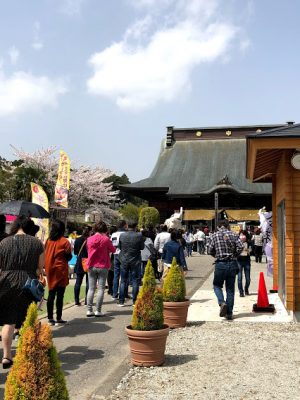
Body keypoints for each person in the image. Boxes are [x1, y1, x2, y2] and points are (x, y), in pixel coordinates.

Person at [0, 216, 44, 369]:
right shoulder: (36, 243)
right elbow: (40, 267)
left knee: (9, 320)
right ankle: (27, 354)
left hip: (7, 282)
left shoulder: (4, 242)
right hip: (28, 283)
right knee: (28, 319)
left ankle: (6, 356)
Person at [208, 220, 243, 321]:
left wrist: (216, 254)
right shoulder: (234, 234)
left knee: (217, 285)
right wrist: (235, 255)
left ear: (218, 226)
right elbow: (241, 246)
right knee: (230, 289)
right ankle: (229, 313)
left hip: (220, 264)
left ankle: (222, 302)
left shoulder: (214, 236)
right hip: (232, 263)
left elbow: (209, 250)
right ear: (228, 226)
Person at [45, 219, 72, 326]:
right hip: (61, 270)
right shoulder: (65, 241)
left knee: (51, 294)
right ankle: (59, 317)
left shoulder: (48, 240)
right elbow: (68, 256)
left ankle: (50, 318)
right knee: (60, 295)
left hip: (49, 269)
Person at [86, 221, 116, 317]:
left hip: (91, 265)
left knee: (91, 289)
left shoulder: (89, 239)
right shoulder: (106, 239)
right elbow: (113, 250)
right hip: (103, 265)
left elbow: (88, 250)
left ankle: (89, 310)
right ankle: (98, 311)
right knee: (101, 289)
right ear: (105, 230)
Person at [118, 221, 144, 306]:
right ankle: (135, 301)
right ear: (135, 226)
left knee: (123, 280)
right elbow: (142, 247)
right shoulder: (139, 235)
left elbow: (120, 247)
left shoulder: (122, 235)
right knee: (135, 280)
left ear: (127, 226)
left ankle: (121, 301)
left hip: (124, 259)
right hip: (135, 260)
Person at [73, 226, 92, 306]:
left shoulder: (77, 240)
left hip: (80, 262)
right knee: (89, 282)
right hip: (89, 262)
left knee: (78, 282)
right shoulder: (91, 240)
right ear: (90, 231)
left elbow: (75, 252)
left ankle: (76, 301)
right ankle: (87, 301)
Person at [111, 220, 128, 300]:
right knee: (124, 275)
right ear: (124, 225)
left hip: (116, 254)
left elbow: (113, 244)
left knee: (116, 274)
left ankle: (114, 294)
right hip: (124, 254)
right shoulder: (126, 234)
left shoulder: (114, 234)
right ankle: (124, 293)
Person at [237, 230, 251, 297]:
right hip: (239, 261)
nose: (242, 236)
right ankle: (241, 292)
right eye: (241, 235)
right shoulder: (237, 243)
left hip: (247, 261)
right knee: (239, 278)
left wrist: (249, 251)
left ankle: (246, 288)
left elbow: (252, 251)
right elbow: (234, 251)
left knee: (248, 278)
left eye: (243, 235)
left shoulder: (249, 242)